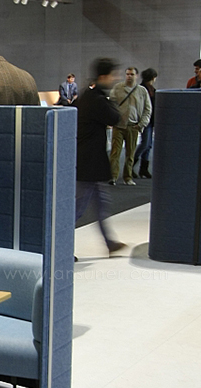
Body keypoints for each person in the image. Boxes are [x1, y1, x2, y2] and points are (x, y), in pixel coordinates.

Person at [75, 57, 126, 256]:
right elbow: (115, 117)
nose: (116, 79)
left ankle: (109, 242)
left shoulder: (88, 96)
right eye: (113, 75)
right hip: (89, 164)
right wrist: (111, 101)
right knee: (77, 209)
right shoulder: (97, 100)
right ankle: (58, 248)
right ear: (103, 76)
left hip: (89, 162)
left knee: (100, 204)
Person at [108, 67, 152, 185]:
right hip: (119, 125)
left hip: (133, 126)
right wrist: (112, 119)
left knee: (130, 154)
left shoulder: (142, 91)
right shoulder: (118, 88)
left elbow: (147, 109)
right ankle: (113, 176)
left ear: (136, 76)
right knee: (115, 153)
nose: (129, 76)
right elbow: (111, 104)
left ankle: (128, 177)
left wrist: (142, 124)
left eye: (132, 74)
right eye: (127, 74)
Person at [133, 68, 157, 178]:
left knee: (148, 145)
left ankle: (143, 169)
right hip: (145, 119)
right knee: (145, 144)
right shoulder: (143, 89)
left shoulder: (151, 89)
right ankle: (131, 164)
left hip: (150, 120)